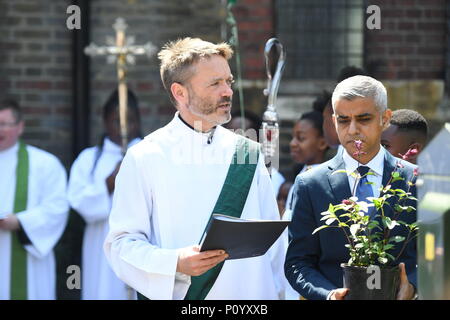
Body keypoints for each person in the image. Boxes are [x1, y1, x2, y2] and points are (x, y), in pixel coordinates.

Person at [104, 37, 286, 300]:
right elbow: (121, 245)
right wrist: (175, 261)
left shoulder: (248, 153)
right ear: (180, 93)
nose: (227, 91)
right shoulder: (145, 156)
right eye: (215, 83)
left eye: (228, 81)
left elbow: (274, 248)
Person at [285, 75, 418, 300]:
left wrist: (413, 287)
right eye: (344, 120)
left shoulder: (414, 180)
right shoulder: (310, 184)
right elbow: (298, 262)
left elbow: (434, 255)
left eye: (363, 119)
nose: (353, 129)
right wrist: (328, 295)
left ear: (385, 119)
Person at [67, 89, 142, 300]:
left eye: (131, 121)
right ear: (105, 122)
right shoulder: (89, 159)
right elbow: (78, 202)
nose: (124, 128)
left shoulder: (149, 155)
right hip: (100, 245)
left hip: (141, 243)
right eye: (117, 122)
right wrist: (109, 183)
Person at [0, 99, 69, 300]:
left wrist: (21, 222)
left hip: (27, 263)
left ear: (20, 127)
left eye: (5, 123)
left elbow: (58, 208)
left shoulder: (44, 164)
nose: (0, 129)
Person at [224, 109, 286, 195]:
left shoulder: (272, 176)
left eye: (245, 137)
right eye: (232, 134)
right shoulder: (215, 169)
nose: (237, 142)